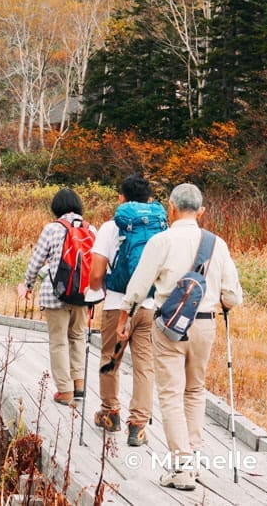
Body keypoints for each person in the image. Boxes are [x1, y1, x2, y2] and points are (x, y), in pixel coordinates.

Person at [119, 183, 243, 491]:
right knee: (195, 390)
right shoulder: (218, 244)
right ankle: (193, 457)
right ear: (201, 212)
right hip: (205, 324)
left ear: (171, 208)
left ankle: (182, 467)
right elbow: (233, 295)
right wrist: (219, 302)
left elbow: (138, 286)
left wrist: (124, 317)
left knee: (172, 395)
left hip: (169, 327)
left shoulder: (162, 241)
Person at [89, 174, 166, 446]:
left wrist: (98, 290)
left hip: (116, 306)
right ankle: (138, 426)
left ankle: (111, 414)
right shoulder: (159, 230)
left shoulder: (111, 228)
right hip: (148, 307)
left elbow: (96, 274)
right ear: (150, 200)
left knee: (111, 358)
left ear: (121, 199)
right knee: (144, 366)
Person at [17, 188, 93, 406]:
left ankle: (65, 390)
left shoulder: (52, 229)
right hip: (82, 295)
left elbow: (36, 260)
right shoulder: (90, 229)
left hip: (55, 295)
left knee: (59, 341)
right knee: (78, 337)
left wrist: (28, 284)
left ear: (56, 208)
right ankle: (79, 385)